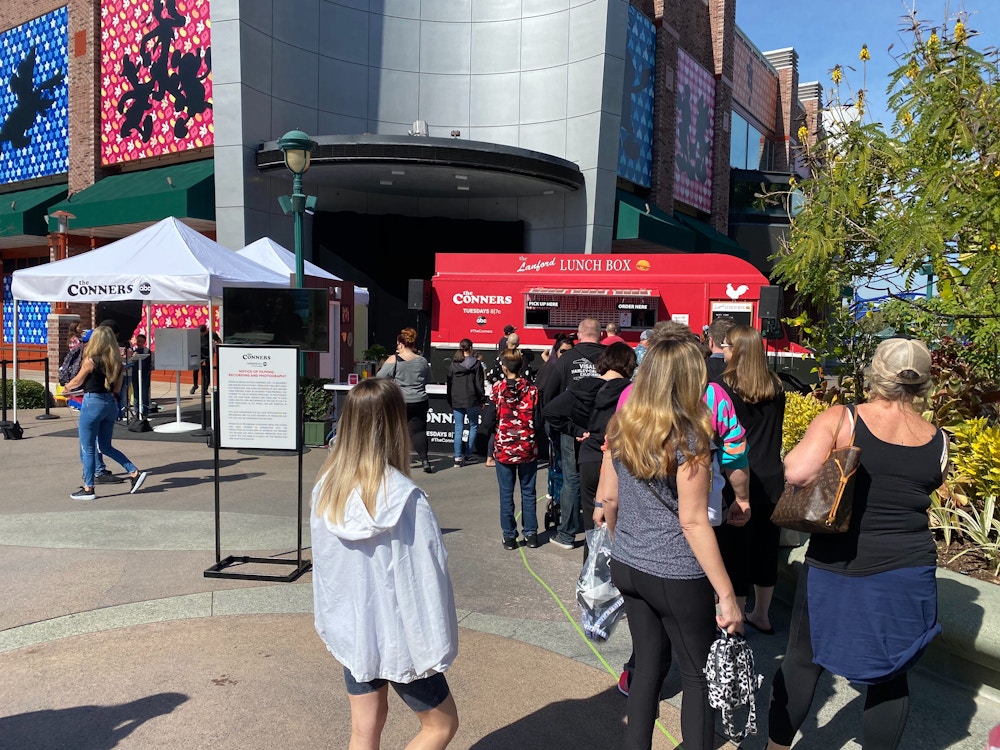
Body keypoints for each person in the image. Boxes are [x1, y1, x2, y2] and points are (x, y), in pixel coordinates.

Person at [767, 338, 946, 750]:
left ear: (874, 375)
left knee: (802, 660)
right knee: (891, 674)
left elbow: (796, 472)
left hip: (839, 563)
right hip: (910, 566)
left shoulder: (843, 418)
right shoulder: (939, 439)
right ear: (922, 384)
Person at [600, 338, 743, 750]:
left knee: (646, 668)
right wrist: (727, 595)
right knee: (699, 675)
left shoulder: (622, 425)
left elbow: (609, 499)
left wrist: (622, 542)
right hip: (676, 570)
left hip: (628, 562)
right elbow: (694, 520)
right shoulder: (689, 438)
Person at [311, 378, 459, 749]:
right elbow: (425, 579)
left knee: (364, 728)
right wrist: (433, 644)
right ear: (395, 423)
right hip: (401, 635)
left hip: (354, 628)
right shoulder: (406, 499)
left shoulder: (328, 487)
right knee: (440, 725)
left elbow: (328, 568)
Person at [712, 324, 786, 634]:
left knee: (735, 552)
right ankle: (763, 614)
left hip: (737, 477)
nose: (723, 351)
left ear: (737, 350)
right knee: (766, 550)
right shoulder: (777, 385)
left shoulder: (723, 387)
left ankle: (736, 620)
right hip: (771, 477)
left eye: (726, 346)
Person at [544, 342, 636, 549]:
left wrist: (577, 431)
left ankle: (592, 570)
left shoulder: (582, 386)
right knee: (620, 521)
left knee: (592, 524)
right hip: (620, 457)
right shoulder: (633, 392)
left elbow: (550, 411)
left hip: (589, 456)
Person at [63, 326, 149, 501]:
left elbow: (77, 381)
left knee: (87, 447)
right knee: (105, 446)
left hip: (92, 402)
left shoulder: (91, 360)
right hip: (110, 403)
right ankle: (134, 472)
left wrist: (66, 388)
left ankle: (89, 488)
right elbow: (117, 388)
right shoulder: (117, 362)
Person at [542, 317, 605, 550]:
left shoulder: (566, 358)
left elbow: (549, 396)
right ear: (601, 335)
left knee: (571, 478)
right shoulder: (610, 357)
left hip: (572, 428)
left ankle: (567, 534)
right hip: (603, 428)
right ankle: (603, 528)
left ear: (579, 335)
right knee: (604, 479)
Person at [491, 348, 541, 550]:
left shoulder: (497, 389)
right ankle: (531, 534)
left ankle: (509, 536)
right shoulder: (532, 390)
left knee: (506, 494)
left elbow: (489, 420)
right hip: (527, 446)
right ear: (522, 366)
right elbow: (538, 421)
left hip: (504, 447)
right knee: (528, 492)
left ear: (503, 367)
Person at [377, 327, 434, 473]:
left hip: (400, 400)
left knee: (396, 430)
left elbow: (379, 377)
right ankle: (425, 461)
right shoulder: (422, 361)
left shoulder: (394, 360)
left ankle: (395, 461)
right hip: (420, 400)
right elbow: (428, 379)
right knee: (419, 431)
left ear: (401, 344)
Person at [534, 336, 574, 506]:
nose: (565, 355)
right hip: (554, 420)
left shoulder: (570, 368)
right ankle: (557, 496)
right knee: (557, 460)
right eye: (562, 351)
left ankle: (559, 495)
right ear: (556, 351)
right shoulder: (550, 367)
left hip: (569, 420)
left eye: (569, 352)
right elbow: (541, 392)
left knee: (563, 460)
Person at [446, 338, 484, 467]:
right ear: (471, 348)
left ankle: (457, 457)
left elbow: (449, 385)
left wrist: (450, 401)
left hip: (457, 399)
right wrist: (482, 399)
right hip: (472, 399)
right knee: (473, 426)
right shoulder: (476, 364)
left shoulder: (453, 364)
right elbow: (479, 384)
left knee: (458, 429)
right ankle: (468, 454)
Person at [190, 324, 221, 395]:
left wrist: (215, 345)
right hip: (200, 353)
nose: (200, 334)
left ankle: (205, 388)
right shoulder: (197, 335)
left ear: (205, 331)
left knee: (208, 371)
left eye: (201, 333)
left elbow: (219, 341)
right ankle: (195, 385)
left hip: (209, 354)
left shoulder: (212, 334)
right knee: (195, 369)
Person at [130, 333, 153, 419]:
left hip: (145, 375)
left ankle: (145, 411)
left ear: (144, 342)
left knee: (144, 393)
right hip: (135, 374)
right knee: (136, 393)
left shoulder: (147, 351)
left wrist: (146, 373)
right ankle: (136, 411)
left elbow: (149, 363)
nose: (139, 343)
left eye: (141, 342)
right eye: (138, 341)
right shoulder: (133, 350)